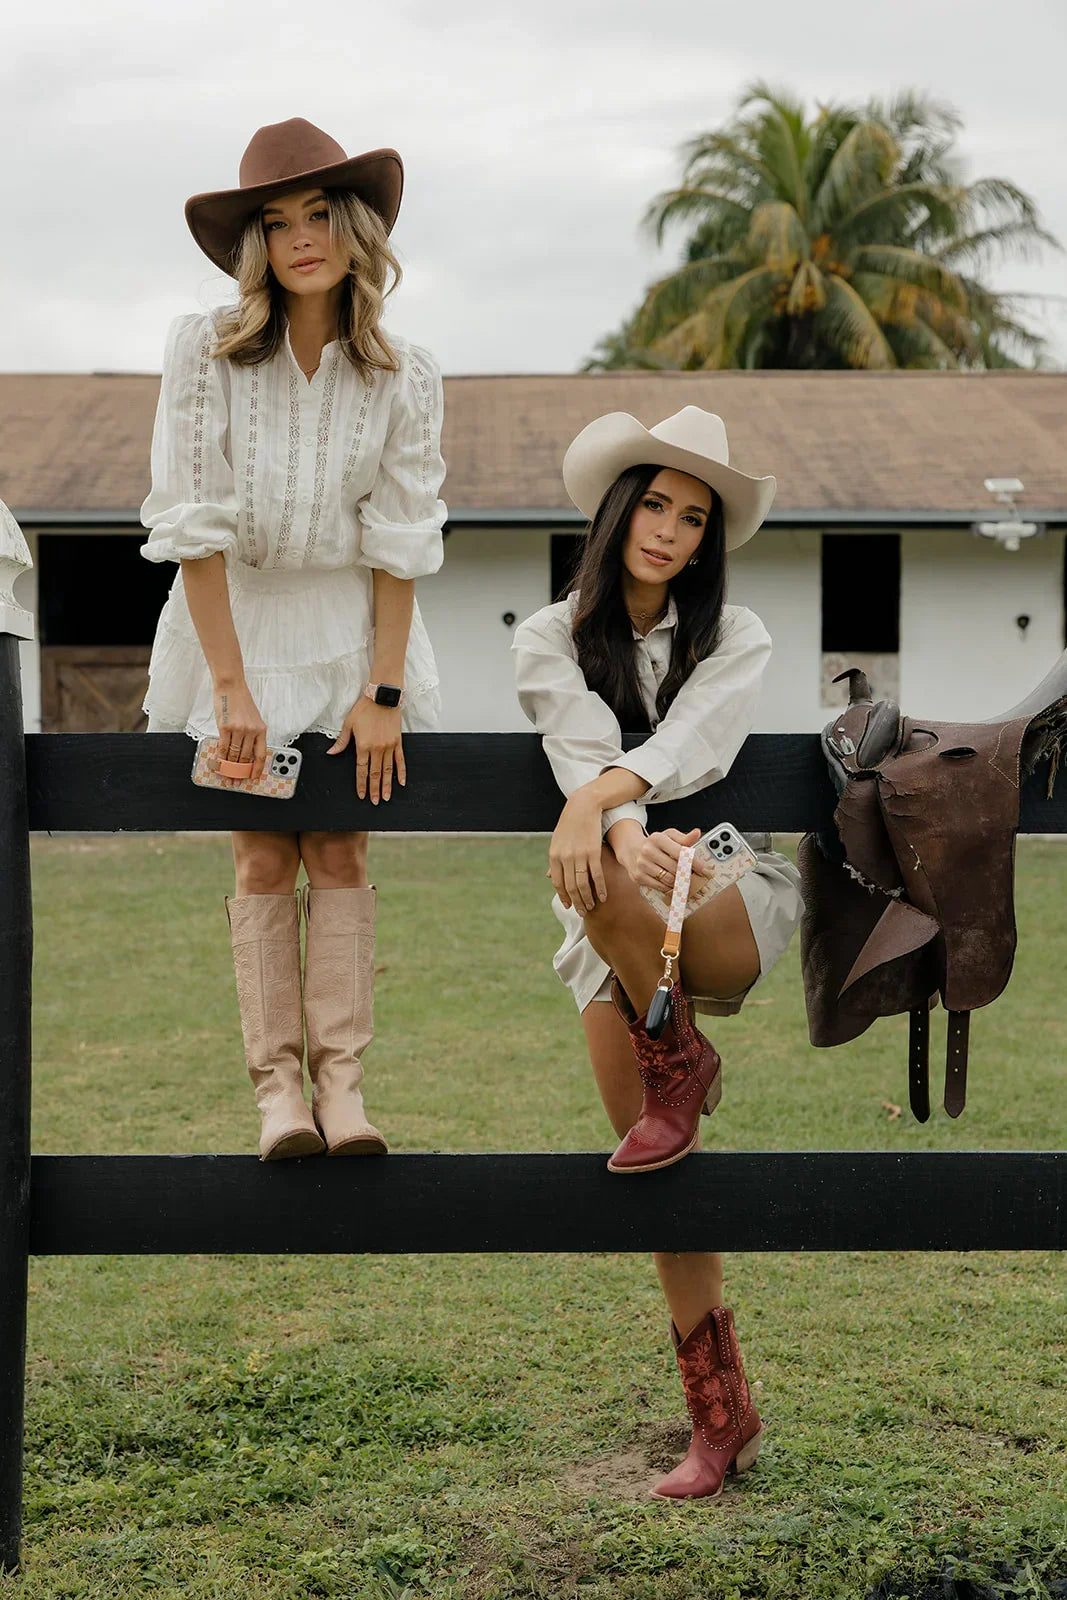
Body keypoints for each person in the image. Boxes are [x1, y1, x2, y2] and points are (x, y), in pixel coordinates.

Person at [140, 118, 446, 1161]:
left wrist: (384, 692)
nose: (301, 239)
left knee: (343, 845)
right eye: (276, 223)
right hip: (236, 628)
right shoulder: (206, 350)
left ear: (356, 228)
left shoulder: (404, 374)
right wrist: (230, 689)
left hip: (356, 634)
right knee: (263, 855)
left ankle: (344, 1087)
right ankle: (278, 1095)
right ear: (254, 245)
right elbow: (194, 528)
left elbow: (401, 542)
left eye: (319, 214)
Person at [512, 406, 803, 1502]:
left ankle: (678, 1050)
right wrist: (619, 830)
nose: (669, 532)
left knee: (592, 856)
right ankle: (721, 1418)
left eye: (692, 518)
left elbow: (694, 741)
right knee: (657, 1166)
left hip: (726, 885)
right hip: (614, 915)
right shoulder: (547, 635)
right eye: (654, 506)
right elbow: (576, 735)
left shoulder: (736, 633)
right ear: (616, 510)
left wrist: (602, 809)